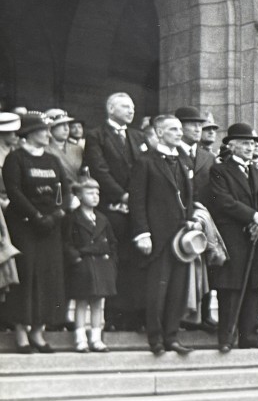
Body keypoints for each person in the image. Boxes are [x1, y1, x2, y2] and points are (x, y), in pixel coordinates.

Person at [2, 112, 71, 353]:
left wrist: (56, 215)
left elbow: (66, 191)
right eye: (43, 130)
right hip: (25, 227)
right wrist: (36, 216)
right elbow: (14, 191)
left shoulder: (52, 160)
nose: (47, 134)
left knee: (49, 277)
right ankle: (21, 334)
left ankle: (38, 333)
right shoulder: (15, 159)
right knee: (26, 276)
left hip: (50, 228)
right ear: (30, 133)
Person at [128, 115, 195, 356]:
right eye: (173, 129)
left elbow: (188, 196)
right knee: (158, 289)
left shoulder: (184, 161)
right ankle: (155, 338)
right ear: (158, 132)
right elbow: (137, 201)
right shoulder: (145, 161)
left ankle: (172, 336)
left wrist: (191, 218)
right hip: (157, 236)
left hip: (181, 237)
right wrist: (143, 233)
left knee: (178, 288)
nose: (179, 133)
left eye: (179, 129)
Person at [207, 123, 258, 353]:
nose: (251, 147)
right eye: (246, 143)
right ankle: (227, 336)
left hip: (257, 237)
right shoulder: (220, 170)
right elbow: (223, 201)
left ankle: (250, 335)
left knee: (255, 287)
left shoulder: (256, 171)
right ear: (232, 146)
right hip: (233, 237)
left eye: (253, 143)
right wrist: (252, 216)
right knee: (231, 288)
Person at [84, 92, 150, 330]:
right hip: (113, 207)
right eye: (125, 106)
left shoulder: (138, 136)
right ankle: (115, 317)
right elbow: (99, 169)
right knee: (116, 261)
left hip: (136, 207)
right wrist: (123, 195)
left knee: (137, 262)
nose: (131, 111)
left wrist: (138, 197)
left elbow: (144, 167)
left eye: (132, 107)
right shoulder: (96, 135)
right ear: (111, 109)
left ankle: (137, 315)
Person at [63, 178, 116, 352]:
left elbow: (112, 242)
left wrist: (111, 261)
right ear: (78, 195)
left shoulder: (102, 218)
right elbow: (66, 242)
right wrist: (76, 258)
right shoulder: (72, 218)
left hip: (101, 265)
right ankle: (80, 338)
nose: (95, 196)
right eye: (89, 193)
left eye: (97, 193)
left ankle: (96, 338)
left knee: (97, 302)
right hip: (83, 266)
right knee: (81, 301)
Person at [44, 109, 84, 182]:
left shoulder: (78, 149)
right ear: (50, 128)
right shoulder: (44, 150)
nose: (66, 129)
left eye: (67, 124)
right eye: (61, 125)